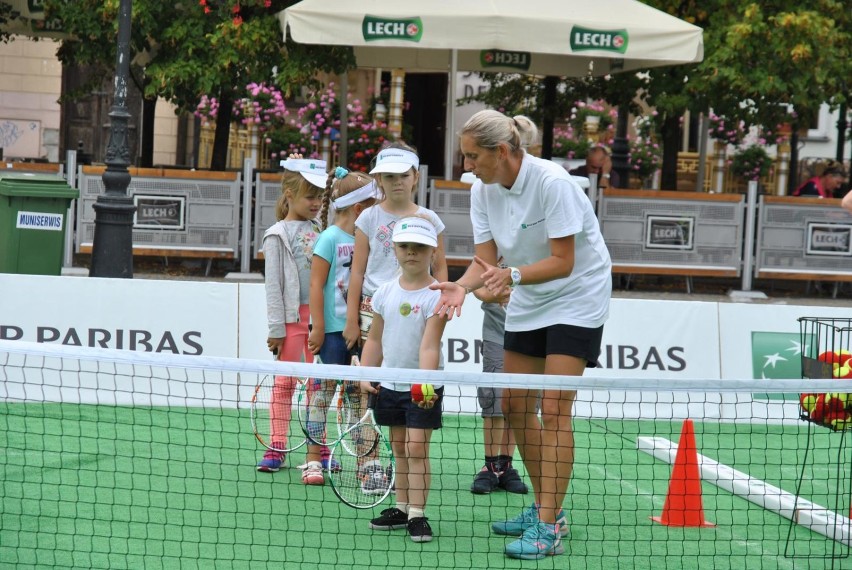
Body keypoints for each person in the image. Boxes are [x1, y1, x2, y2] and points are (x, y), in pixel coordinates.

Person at [432, 110, 612, 560]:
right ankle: (543, 506)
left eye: (474, 156)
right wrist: (462, 285)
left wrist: (510, 275)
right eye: (465, 155)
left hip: (577, 295)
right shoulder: (481, 189)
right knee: (513, 403)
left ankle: (549, 524)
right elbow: (484, 261)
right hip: (528, 293)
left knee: (553, 407)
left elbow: (564, 260)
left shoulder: (553, 184)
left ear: (504, 152)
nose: (467, 165)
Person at [359, 217, 448, 543]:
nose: (412, 252)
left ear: (432, 252)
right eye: (405, 246)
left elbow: (430, 344)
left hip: (421, 386)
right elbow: (375, 339)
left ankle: (417, 514)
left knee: (417, 448)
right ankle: (400, 507)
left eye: (420, 247)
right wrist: (368, 373)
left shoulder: (437, 296)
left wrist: (423, 384)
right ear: (394, 250)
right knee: (399, 446)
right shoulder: (383, 293)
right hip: (390, 386)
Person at [300, 166, 381, 485]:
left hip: (362, 332)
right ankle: (313, 459)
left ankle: (367, 463)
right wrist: (317, 328)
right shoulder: (330, 238)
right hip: (332, 333)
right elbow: (316, 286)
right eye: (375, 205)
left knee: (358, 396)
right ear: (360, 209)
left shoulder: (369, 240)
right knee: (322, 394)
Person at [257, 156, 336, 476]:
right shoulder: (276, 234)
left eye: (320, 197)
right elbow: (272, 287)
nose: (316, 203)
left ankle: (320, 447)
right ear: (289, 194)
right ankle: (277, 444)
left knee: (320, 385)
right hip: (292, 321)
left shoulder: (323, 229)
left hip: (322, 318)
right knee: (286, 383)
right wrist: (277, 328)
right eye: (310, 197)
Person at [343, 143, 448, 351]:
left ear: (415, 177)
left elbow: (439, 267)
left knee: (413, 365)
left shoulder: (430, 219)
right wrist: (351, 320)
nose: (397, 182)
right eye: (389, 176)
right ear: (379, 179)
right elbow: (357, 272)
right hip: (372, 306)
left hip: (419, 303)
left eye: (404, 175)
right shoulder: (367, 217)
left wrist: (441, 307)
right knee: (371, 375)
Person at [470, 281, 529, 496]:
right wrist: (493, 296)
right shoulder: (491, 249)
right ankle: (490, 465)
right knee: (493, 400)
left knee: (516, 401)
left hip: (530, 331)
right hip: (496, 333)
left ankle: (505, 466)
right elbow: (475, 285)